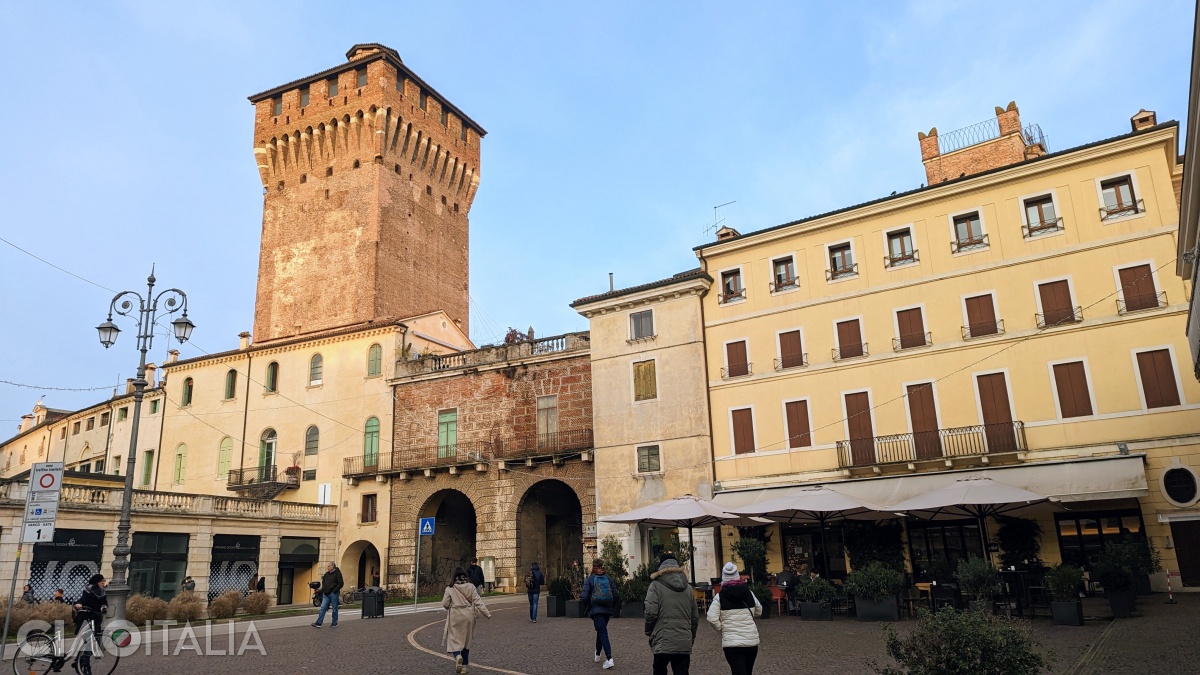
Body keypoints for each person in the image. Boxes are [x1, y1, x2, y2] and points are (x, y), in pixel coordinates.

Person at [644, 555, 698, 675]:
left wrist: (649, 631)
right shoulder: (688, 588)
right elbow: (695, 616)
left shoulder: (655, 586)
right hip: (683, 639)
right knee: (682, 671)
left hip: (662, 639)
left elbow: (650, 612)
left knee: (659, 670)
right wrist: (691, 636)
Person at [707, 562, 762, 675]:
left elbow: (711, 618)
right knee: (748, 671)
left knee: (737, 671)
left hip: (732, 643)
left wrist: (722, 628)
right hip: (750, 641)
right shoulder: (749, 593)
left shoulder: (720, 597)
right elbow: (759, 610)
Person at [442, 567, 491, 674]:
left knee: (454, 639)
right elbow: (478, 601)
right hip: (468, 615)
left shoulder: (450, 588)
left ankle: (457, 656)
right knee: (466, 640)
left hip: (455, 616)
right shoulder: (471, 586)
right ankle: (464, 667)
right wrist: (487, 613)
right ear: (465, 576)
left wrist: (451, 604)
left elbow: (445, 604)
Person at [581, 558, 619, 670]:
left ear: (593, 567)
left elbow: (584, 596)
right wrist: (612, 605)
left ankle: (609, 658)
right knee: (601, 630)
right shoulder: (608, 578)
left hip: (596, 610)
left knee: (602, 631)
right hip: (607, 609)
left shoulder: (590, 579)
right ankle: (597, 653)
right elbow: (616, 595)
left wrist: (587, 607)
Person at [73, 574, 108, 675]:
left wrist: (104, 607)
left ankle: (79, 661)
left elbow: (105, 603)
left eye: (104, 581)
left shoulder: (102, 592)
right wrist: (78, 605)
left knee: (96, 642)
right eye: (102, 581)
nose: (103, 583)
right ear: (97, 581)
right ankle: (86, 668)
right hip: (86, 619)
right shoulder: (88, 590)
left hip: (96, 620)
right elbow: (82, 600)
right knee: (89, 645)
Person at [311, 561, 344, 627]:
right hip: (326, 593)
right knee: (323, 607)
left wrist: (334, 591)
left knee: (334, 608)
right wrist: (323, 590)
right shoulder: (326, 574)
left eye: (328, 566)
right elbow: (324, 583)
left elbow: (340, 583)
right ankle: (319, 623)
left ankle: (334, 622)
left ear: (332, 566)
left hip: (333, 593)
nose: (327, 567)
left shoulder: (337, 573)